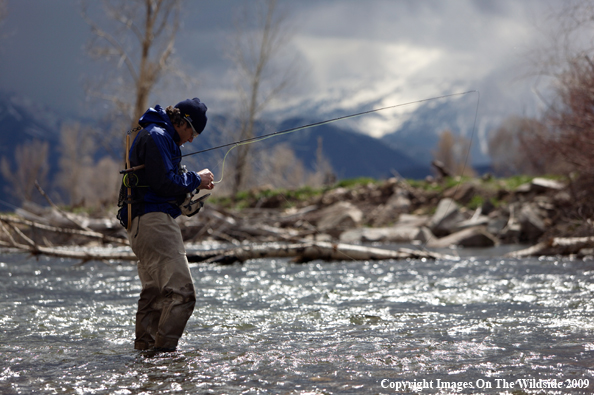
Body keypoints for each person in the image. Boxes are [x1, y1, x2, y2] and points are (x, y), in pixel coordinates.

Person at [117, 97, 214, 352]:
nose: (192, 139)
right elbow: (164, 183)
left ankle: (146, 361)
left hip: (142, 224)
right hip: (153, 222)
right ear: (182, 122)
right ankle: (164, 358)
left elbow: (160, 182)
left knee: (156, 296)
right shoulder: (158, 135)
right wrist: (197, 179)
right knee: (183, 294)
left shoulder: (157, 134)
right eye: (192, 132)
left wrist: (190, 191)